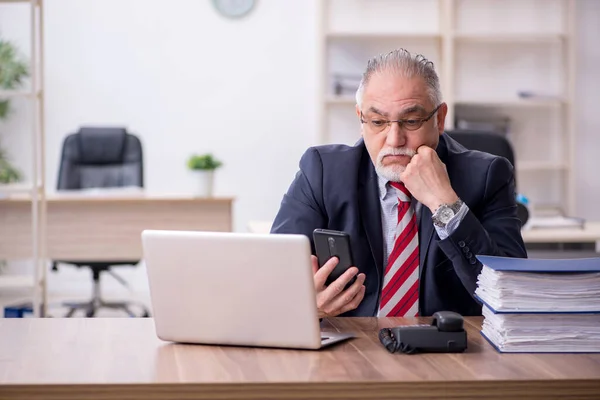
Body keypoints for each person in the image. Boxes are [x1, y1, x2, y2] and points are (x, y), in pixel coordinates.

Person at [271, 49, 527, 318]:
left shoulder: (487, 176)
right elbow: (273, 276)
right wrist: (306, 306)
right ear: (361, 118)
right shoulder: (322, 171)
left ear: (439, 119)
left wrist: (445, 204)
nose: (394, 140)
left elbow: (510, 291)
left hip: (447, 350)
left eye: (412, 121)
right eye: (378, 122)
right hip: (353, 348)